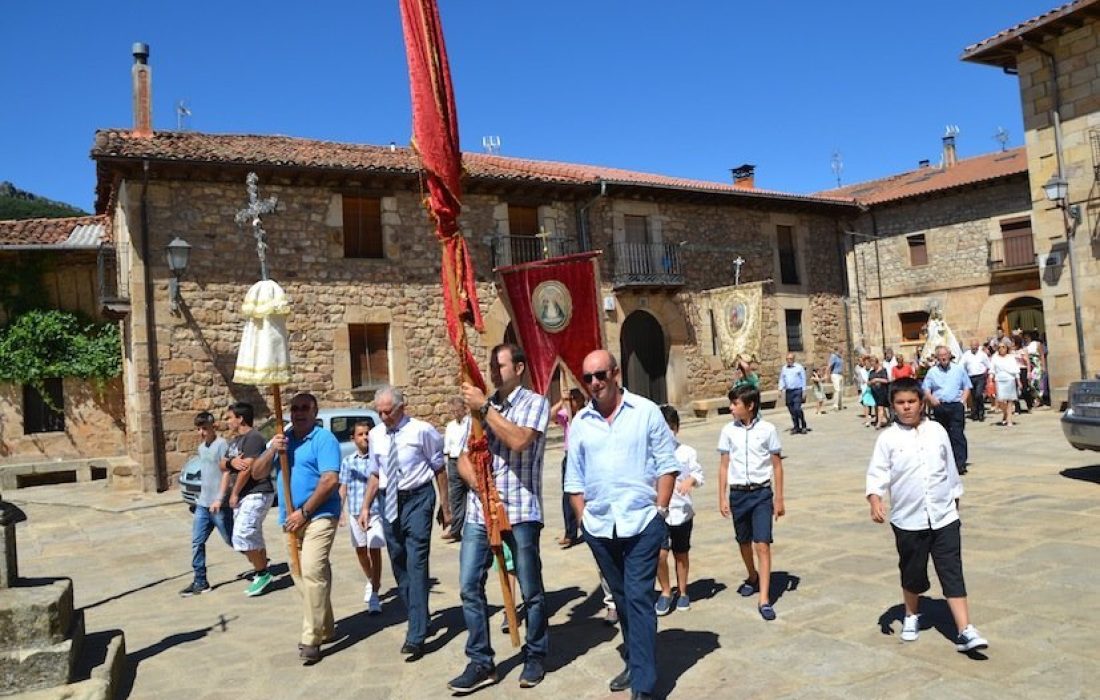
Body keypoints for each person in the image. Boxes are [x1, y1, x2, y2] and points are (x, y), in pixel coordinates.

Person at [564, 350, 679, 700]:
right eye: (588, 378)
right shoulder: (581, 423)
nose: (595, 383)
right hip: (600, 528)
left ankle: (643, 685)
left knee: (640, 599)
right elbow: (574, 479)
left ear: (616, 374)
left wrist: (660, 512)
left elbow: (667, 465)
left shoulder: (645, 412)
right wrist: (583, 520)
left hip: (642, 522)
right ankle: (634, 659)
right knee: (624, 601)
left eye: (601, 375)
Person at [448, 343, 551, 692]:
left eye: (500, 365)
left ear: (519, 368)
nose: (494, 371)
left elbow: (519, 439)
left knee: (530, 587)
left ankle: (535, 653)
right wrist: (482, 488)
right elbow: (462, 457)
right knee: (468, 584)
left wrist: (485, 407)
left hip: (521, 510)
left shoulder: (535, 403)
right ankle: (481, 660)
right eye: (491, 364)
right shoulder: (481, 409)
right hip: (481, 511)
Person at [865, 377, 989, 654]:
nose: (907, 407)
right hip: (909, 520)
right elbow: (877, 473)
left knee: (952, 570)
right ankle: (911, 615)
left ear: (921, 403)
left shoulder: (937, 431)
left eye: (912, 401)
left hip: (944, 516)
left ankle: (965, 630)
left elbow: (949, 469)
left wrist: (955, 501)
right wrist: (875, 500)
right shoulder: (888, 438)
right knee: (913, 572)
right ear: (893, 406)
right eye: (901, 403)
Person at [360, 386, 450, 660]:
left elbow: (439, 468)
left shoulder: (422, 431)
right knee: (398, 560)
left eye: (388, 411)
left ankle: (416, 634)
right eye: (379, 412)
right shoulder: (376, 435)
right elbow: (376, 473)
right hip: (388, 500)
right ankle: (419, 615)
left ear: (402, 408)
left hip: (418, 499)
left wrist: (446, 507)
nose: (383, 416)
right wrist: (365, 506)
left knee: (416, 560)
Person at [253, 393, 343, 664]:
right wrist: (272, 449)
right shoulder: (283, 439)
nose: (300, 412)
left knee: (313, 570)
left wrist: (304, 512)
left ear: (315, 412)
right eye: (295, 408)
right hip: (289, 520)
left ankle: (311, 638)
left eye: (306, 408)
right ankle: (325, 626)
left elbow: (330, 480)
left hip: (319, 515)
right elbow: (256, 473)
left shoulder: (324, 439)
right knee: (301, 575)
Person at [718, 384, 785, 622]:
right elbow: (724, 465)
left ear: (750, 406)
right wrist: (722, 496)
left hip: (761, 493)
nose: (731, 408)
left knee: (762, 544)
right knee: (744, 541)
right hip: (738, 494)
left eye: (735, 404)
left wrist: (779, 498)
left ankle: (764, 598)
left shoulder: (768, 430)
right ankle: (752, 575)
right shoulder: (728, 431)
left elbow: (777, 465)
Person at [221, 402, 275, 596]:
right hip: (246, 495)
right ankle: (263, 568)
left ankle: (262, 572)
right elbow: (222, 464)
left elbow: (248, 469)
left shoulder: (254, 438)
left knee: (242, 535)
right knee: (252, 535)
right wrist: (231, 462)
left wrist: (234, 493)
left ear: (240, 418)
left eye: (229, 417)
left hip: (257, 492)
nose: (227, 422)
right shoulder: (235, 441)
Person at [654, 405, 704, 616]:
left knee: (681, 554)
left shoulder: (686, 452)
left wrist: (690, 481)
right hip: (659, 511)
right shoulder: (651, 454)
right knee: (659, 554)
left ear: (676, 428)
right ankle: (666, 591)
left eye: (670, 428)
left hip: (682, 512)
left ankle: (683, 591)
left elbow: (698, 475)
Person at [180, 411, 233, 597]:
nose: (201, 432)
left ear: (213, 427)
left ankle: (259, 559)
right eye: (199, 429)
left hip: (219, 505)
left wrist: (220, 498)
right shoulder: (202, 448)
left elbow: (226, 473)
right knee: (197, 542)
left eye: (204, 428)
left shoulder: (222, 445)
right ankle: (200, 581)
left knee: (233, 540)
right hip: (203, 504)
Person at [339, 420, 384, 615]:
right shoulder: (348, 461)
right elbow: (343, 486)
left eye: (367, 433)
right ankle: (370, 578)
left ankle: (375, 593)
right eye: (360, 434)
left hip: (375, 512)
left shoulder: (377, 459)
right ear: (353, 439)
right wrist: (339, 510)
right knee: (360, 550)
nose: (365, 437)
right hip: (356, 512)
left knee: (374, 548)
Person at [922, 346, 971, 475]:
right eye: (940, 356)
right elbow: (926, 389)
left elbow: (967, 386)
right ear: (937, 358)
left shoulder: (958, 369)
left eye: (945, 355)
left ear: (950, 355)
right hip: (940, 406)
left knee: (957, 435)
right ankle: (944, 463)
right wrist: (931, 399)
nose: (943, 358)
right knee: (941, 436)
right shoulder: (932, 372)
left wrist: (962, 402)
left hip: (955, 405)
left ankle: (960, 464)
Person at [550, 388, 585, 548]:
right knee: (568, 494)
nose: (573, 402)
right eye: (571, 399)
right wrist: (561, 401)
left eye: (575, 399)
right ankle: (570, 533)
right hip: (569, 455)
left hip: (585, 456)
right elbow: (550, 416)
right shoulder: (566, 414)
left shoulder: (587, 414)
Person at [442, 397, 469, 543]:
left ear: (464, 408)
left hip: (467, 460)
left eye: (457, 410)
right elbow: (447, 447)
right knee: (456, 497)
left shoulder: (470, 423)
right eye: (453, 411)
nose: (455, 413)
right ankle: (455, 530)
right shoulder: (450, 426)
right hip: (453, 462)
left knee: (473, 496)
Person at [990, 341, 1021, 427]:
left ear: (1006, 348)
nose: (1001, 349)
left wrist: (1018, 381)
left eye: (1003, 347)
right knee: (1000, 400)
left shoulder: (1011, 358)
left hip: (1009, 379)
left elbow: (1015, 370)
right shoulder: (995, 358)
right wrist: (990, 379)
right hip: (999, 380)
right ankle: (1005, 414)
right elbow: (992, 369)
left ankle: (1009, 420)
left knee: (1010, 400)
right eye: (999, 347)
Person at [778, 353, 810, 434]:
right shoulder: (784, 368)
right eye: (787, 359)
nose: (789, 360)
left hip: (797, 390)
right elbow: (782, 379)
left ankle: (803, 425)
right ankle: (796, 427)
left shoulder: (799, 367)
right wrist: (780, 390)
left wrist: (804, 391)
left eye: (790, 359)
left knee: (797, 409)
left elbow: (803, 379)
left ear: (794, 359)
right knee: (791, 410)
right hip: (789, 391)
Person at [960, 340, 992, 422]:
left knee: (978, 394)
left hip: (980, 377)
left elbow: (989, 365)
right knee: (973, 396)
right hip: (970, 377)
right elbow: (961, 365)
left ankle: (981, 412)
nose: (973, 347)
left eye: (975, 346)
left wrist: (990, 375)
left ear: (978, 346)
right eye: (972, 346)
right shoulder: (966, 355)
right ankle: (975, 413)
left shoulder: (982, 355)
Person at [868, 356, 891, 428]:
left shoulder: (883, 370)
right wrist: (870, 383)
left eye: (873, 364)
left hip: (882, 391)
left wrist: (877, 379)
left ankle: (879, 423)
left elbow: (886, 380)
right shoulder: (871, 372)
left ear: (877, 363)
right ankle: (885, 420)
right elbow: (869, 381)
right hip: (875, 392)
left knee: (880, 407)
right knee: (878, 406)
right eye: (871, 364)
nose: (872, 366)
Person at [828, 346, 845, 411]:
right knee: (837, 390)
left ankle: (840, 405)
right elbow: (830, 366)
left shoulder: (840, 357)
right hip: (835, 374)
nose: (842, 350)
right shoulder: (833, 356)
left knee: (841, 390)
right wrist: (828, 375)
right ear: (837, 349)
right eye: (841, 349)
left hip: (840, 375)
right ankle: (835, 405)